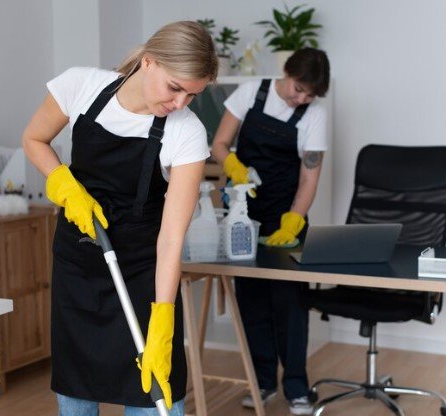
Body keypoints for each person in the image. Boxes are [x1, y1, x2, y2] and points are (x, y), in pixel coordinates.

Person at [22, 21, 218, 416]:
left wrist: (163, 319)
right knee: (76, 393)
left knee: (157, 394)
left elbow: (171, 239)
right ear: (148, 62)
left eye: (192, 95)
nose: (180, 103)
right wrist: (63, 182)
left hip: (145, 270)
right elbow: (34, 139)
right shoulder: (81, 86)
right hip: (78, 265)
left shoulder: (187, 133)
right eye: (175, 88)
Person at [211, 47, 330, 415]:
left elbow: (310, 176)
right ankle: (262, 382)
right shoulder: (251, 93)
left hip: (286, 214)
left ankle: (295, 386)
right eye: (298, 89)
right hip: (244, 213)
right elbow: (219, 144)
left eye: (310, 94)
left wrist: (294, 219)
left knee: (291, 303)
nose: (302, 98)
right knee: (252, 301)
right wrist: (232, 165)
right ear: (287, 72)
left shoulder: (315, 114)